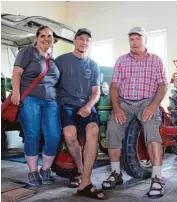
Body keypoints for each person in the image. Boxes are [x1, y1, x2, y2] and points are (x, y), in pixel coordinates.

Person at [102, 26, 168, 198]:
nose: (134, 42)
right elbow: (114, 85)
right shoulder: (122, 60)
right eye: (131, 39)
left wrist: (153, 105)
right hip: (125, 103)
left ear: (145, 40)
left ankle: (157, 177)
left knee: (151, 129)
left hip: (147, 102)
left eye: (138, 39)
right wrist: (117, 108)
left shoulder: (155, 60)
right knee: (113, 129)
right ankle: (116, 173)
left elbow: (162, 85)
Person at [55, 28, 108, 200]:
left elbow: (96, 91)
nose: (84, 42)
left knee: (92, 131)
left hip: (86, 105)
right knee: (69, 136)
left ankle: (85, 181)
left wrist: (89, 105)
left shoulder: (93, 65)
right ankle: (80, 169)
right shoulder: (61, 61)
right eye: (81, 39)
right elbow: (50, 82)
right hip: (66, 105)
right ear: (74, 40)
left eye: (87, 40)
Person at [11, 26, 61, 187]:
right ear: (36, 37)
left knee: (53, 135)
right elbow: (17, 72)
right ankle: (33, 172)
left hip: (50, 101)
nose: (47, 38)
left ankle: (45, 170)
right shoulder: (28, 52)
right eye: (43, 35)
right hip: (31, 98)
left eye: (50, 36)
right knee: (32, 135)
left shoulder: (52, 59)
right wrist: (16, 93)